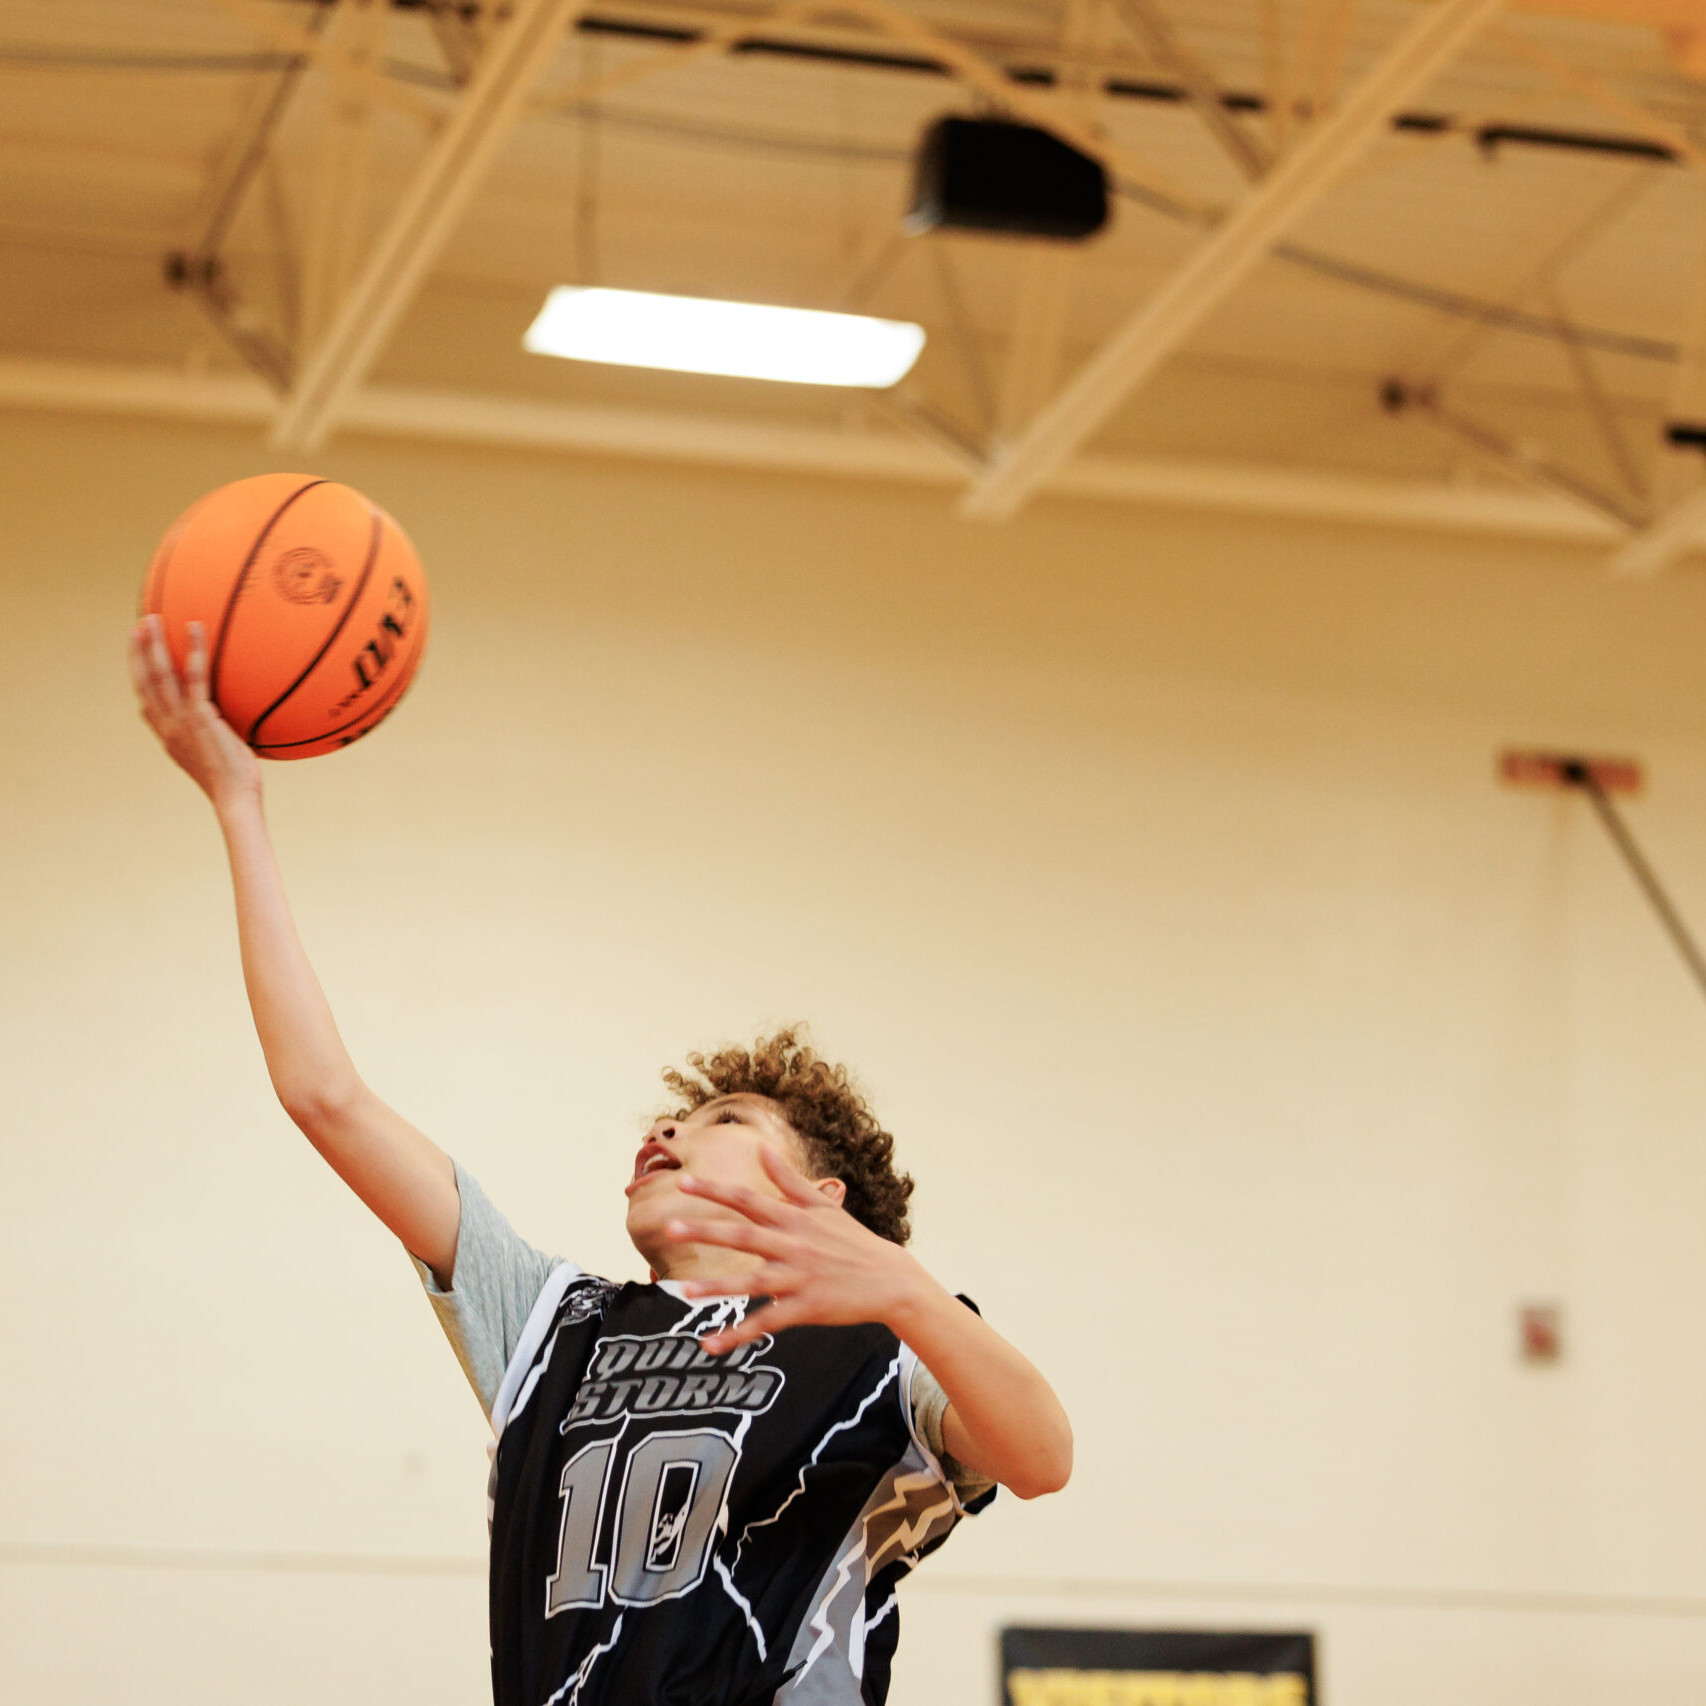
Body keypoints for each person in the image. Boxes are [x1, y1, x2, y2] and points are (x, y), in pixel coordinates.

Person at [127, 613, 1073, 1706]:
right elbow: (323, 1094)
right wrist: (238, 805)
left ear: (818, 1195)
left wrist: (903, 1286)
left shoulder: (871, 1350)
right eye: (672, 1114)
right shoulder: (551, 1320)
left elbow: (1041, 1454)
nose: (666, 1128)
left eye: (723, 1115)